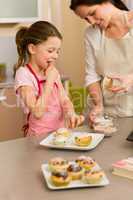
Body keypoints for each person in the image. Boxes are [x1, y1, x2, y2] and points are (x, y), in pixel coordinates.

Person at [14, 21, 84, 136]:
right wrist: (50, 81)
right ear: (32, 49)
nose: (55, 56)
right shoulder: (24, 75)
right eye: (50, 51)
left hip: (59, 135)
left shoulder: (52, 72)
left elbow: (64, 99)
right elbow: (37, 112)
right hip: (37, 139)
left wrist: (71, 114)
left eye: (58, 51)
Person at [70, 0, 133, 126]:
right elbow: (91, 75)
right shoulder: (92, 33)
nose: (92, 22)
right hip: (102, 113)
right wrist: (98, 105)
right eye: (86, 19)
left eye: (92, 13)